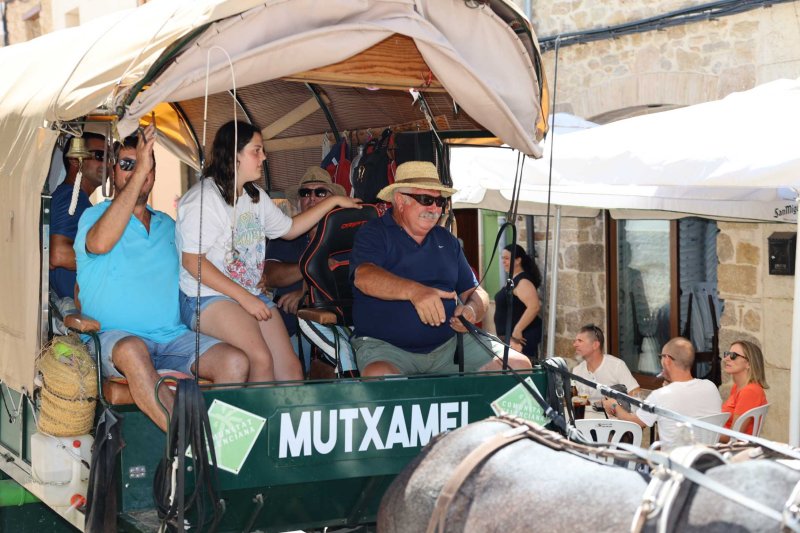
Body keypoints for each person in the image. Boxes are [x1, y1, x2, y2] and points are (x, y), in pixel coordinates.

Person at [74, 125, 249, 431]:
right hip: (114, 340)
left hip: (171, 338)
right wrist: (140, 167)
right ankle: (189, 443)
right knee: (132, 349)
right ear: (113, 172)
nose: (138, 172)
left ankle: (219, 449)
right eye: (127, 165)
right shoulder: (95, 216)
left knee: (235, 362)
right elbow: (99, 244)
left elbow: (204, 264)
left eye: (145, 166)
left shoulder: (169, 225)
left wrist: (250, 281)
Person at [176, 120, 361, 383]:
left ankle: (277, 424)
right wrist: (246, 298)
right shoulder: (204, 199)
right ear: (233, 154)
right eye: (256, 150)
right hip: (206, 296)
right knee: (259, 360)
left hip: (248, 294)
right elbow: (192, 261)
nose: (263, 156)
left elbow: (290, 229)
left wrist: (333, 201)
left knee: (290, 371)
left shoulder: (255, 197)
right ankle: (248, 426)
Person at [350, 161, 532, 376]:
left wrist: (471, 311)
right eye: (426, 199)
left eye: (440, 201)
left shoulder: (446, 240)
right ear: (400, 200)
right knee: (381, 377)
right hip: (387, 349)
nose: (435, 208)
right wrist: (415, 292)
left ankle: (488, 412)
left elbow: (476, 293)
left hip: (450, 346)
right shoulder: (375, 233)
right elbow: (363, 276)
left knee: (519, 366)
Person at [260, 166, 353, 372]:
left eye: (320, 193)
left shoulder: (347, 234)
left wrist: (304, 291)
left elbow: (351, 278)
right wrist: (315, 269)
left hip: (338, 324)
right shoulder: (284, 233)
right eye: (305, 193)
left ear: (333, 200)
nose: (312, 198)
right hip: (289, 329)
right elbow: (270, 277)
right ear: (298, 201)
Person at [602, 336, 722, 449]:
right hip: (704, 461)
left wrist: (613, 406)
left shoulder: (662, 395)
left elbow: (635, 423)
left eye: (661, 357)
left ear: (667, 360)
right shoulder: (710, 386)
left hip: (672, 465)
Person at [50, 132, 110, 300]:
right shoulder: (71, 197)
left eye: (109, 157)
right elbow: (58, 254)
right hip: (80, 305)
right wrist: (110, 262)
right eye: (99, 155)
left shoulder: (77, 199)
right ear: (75, 159)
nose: (107, 163)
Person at [494, 244, 543, 359]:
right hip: (510, 338)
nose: (503, 262)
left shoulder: (523, 281)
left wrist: (518, 329)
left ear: (518, 260)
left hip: (520, 338)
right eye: (502, 258)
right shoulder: (513, 280)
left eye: (507, 258)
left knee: (522, 371)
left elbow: (534, 307)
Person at [572, 324, 640, 403]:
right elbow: (576, 400)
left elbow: (635, 393)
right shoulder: (577, 370)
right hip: (585, 415)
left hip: (613, 415)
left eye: (580, 341)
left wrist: (617, 408)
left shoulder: (616, 366)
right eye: (575, 341)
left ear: (595, 345)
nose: (575, 345)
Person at [719, 340, 768, 440]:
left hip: (734, 449)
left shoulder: (750, 392)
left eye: (733, 356)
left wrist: (705, 434)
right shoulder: (737, 387)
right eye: (727, 354)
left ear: (748, 363)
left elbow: (734, 436)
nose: (726, 359)